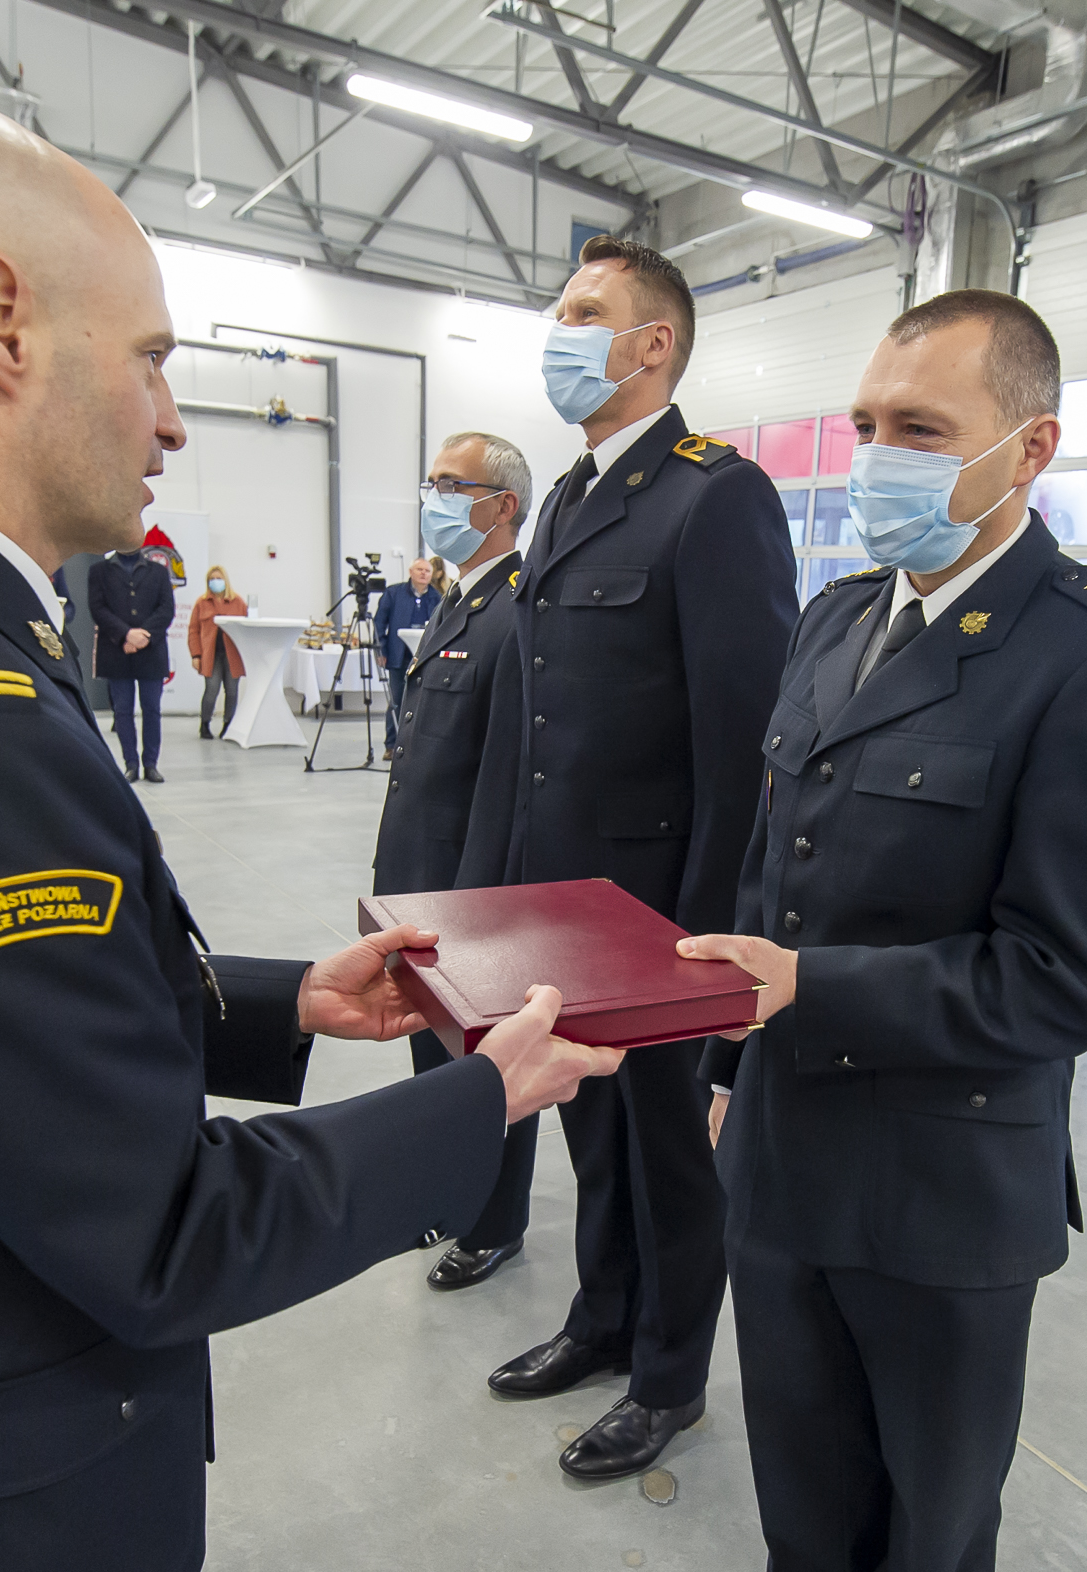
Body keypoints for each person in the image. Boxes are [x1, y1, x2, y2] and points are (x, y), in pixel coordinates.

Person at [0, 94, 620, 1572]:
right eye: (152, 358)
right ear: (3, 323)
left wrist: (274, 1003)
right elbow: (167, 1235)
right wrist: (482, 1099)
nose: (171, 419)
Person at [686, 290, 1087, 1572]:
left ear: (1030, 448)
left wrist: (805, 990)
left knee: (930, 1521)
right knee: (802, 1504)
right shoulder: (838, 616)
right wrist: (728, 1068)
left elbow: (1065, 977)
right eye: (865, 425)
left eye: (919, 429)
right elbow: (771, 866)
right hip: (781, 1156)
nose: (877, 457)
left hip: (939, 1188)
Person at [467, 233, 798, 1483]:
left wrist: (703, 947)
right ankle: (600, 1320)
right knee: (590, 1134)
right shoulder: (567, 494)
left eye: (580, 313)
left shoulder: (715, 497)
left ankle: (667, 1377)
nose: (555, 335)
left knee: (668, 1160)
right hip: (560, 911)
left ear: (650, 344)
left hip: (658, 920)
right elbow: (537, 725)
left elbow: (742, 750)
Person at [373, 432, 532, 1289]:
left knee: (486, 1059)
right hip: (421, 876)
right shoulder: (457, 599)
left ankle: (495, 1221)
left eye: (450, 485)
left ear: (501, 506)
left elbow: (506, 776)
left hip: (467, 889)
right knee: (433, 1053)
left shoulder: (519, 610)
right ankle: (447, 1191)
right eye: (430, 481)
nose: (431, 498)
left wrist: (479, 908)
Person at [89, 541, 176, 782]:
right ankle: (131, 764)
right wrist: (125, 635)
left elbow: (166, 609)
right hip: (117, 650)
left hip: (151, 650)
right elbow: (98, 609)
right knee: (123, 711)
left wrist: (144, 636)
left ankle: (151, 764)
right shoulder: (99, 571)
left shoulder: (158, 572)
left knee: (152, 709)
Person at [373, 556, 439, 761]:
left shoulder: (437, 597)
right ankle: (391, 745)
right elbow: (379, 623)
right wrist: (380, 651)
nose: (423, 574)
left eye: (427, 571)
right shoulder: (393, 593)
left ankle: (416, 746)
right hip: (398, 656)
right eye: (420, 570)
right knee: (397, 700)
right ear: (411, 572)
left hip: (425, 657)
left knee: (424, 702)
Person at [186, 563, 245, 738]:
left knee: (232, 691)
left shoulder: (238, 602)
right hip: (210, 655)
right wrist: (196, 655)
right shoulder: (202, 602)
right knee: (211, 690)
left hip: (232, 655)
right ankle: (205, 723)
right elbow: (193, 630)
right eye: (212, 579)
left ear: (226, 581)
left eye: (219, 579)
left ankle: (228, 724)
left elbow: (247, 627)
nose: (215, 582)